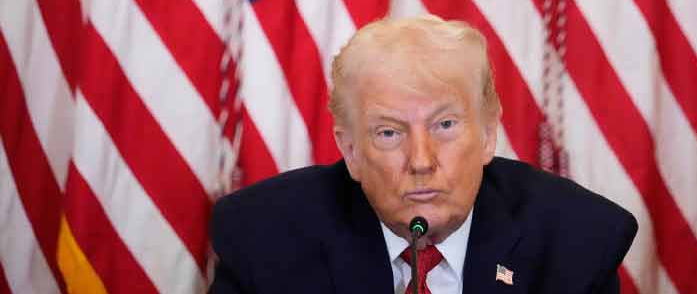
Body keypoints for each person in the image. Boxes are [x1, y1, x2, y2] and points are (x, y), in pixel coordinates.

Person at [209, 15, 637, 294]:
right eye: (390, 132)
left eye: (445, 126)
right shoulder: (262, 239)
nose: (421, 160)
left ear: (488, 134)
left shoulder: (576, 241)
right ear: (351, 151)